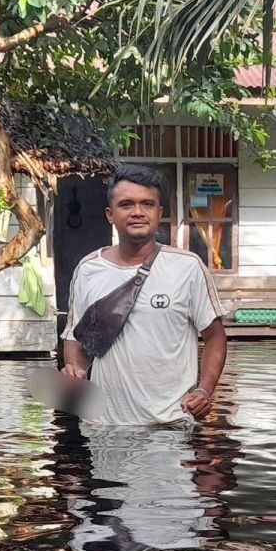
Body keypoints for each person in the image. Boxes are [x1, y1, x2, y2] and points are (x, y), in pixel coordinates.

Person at [61, 165, 227, 426]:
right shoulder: (88, 269)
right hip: (104, 426)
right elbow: (75, 336)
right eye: (126, 204)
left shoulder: (188, 267)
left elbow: (215, 336)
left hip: (170, 425)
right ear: (110, 214)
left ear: (159, 214)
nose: (137, 212)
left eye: (147, 204)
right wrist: (74, 369)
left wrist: (204, 390)